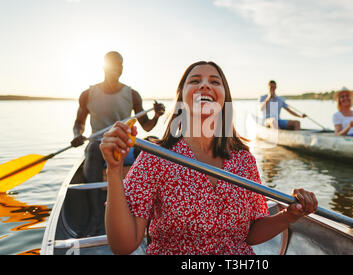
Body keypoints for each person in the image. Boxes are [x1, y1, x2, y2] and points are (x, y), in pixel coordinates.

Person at [100, 61, 318, 255]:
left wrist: (289, 216)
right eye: (195, 80)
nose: (205, 85)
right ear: (181, 98)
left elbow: (250, 234)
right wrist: (114, 169)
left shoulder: (244, 160)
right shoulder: (155, 157)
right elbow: (123, 246)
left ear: (225, 98)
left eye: (214, 81)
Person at [70, 51, 166, 236]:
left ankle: (145, 215)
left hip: (124, 145)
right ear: (104, 67)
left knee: (149, 144)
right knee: (92, 150)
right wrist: (77, 134)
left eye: (120, 65)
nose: (117, 69)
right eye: (113, 65)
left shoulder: (132, 94)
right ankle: (96, 216)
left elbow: (146, 126)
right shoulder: (88, 94)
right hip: (99, 145)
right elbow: (79, 123)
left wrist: (156, 115)